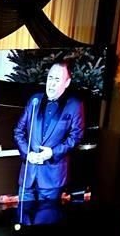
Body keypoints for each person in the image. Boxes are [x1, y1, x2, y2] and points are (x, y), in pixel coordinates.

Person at [14, 61, 85, 201]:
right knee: (22, 218)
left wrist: (52, 153)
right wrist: (27, 154)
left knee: (46, 219)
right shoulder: (35, 100)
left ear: (67, 83)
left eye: (57, 80)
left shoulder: (75, 105)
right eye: (50, 78)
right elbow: (18, 131)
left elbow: (76, 137)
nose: (51, 84)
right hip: (28, 175)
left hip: (52, 178)